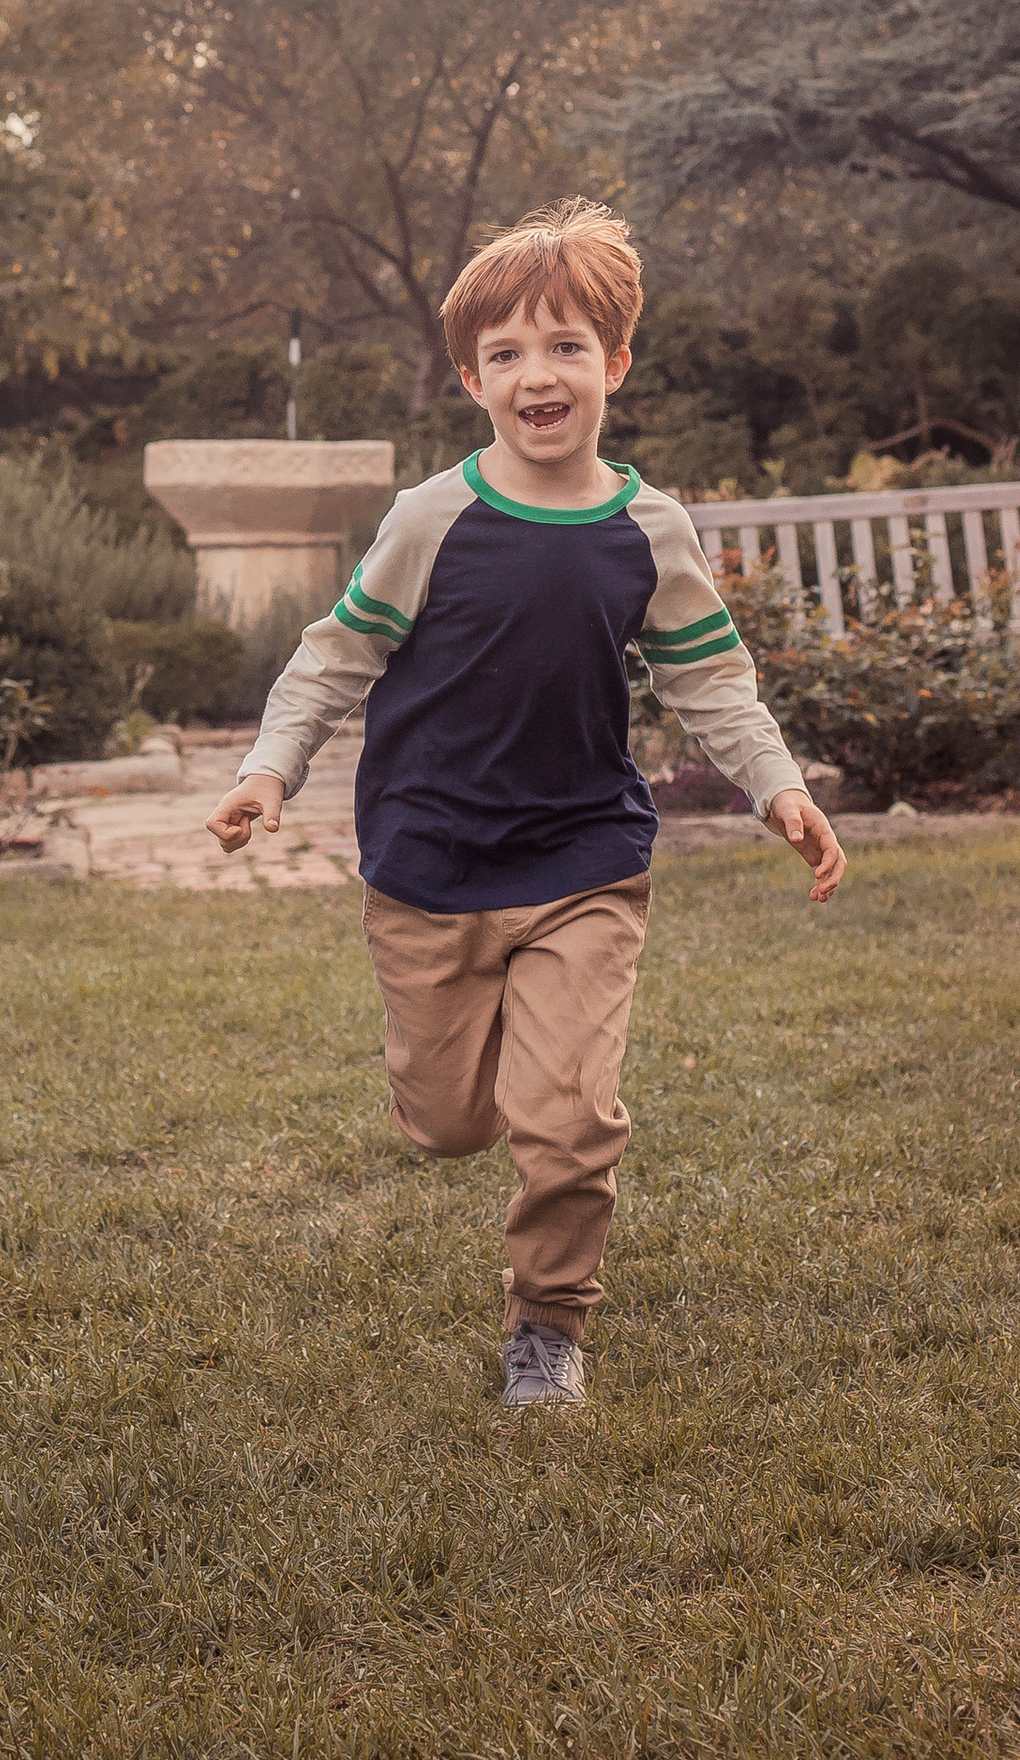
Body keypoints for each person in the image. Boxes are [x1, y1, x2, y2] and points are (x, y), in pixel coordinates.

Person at [208, 200, 844, 1411]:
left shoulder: (648, 529)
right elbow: (336, 655)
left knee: (570, 1119)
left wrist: (779, 786)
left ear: (613, 364)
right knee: (449, 1125)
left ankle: (547, 1325)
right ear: (470, 378)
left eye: (563, 348)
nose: (535, 375)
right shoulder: (432, 518)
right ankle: (483, 1074)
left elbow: (708, 678)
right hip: (428, 862)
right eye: (505, 354)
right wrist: (268, 767)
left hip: (583, 856)